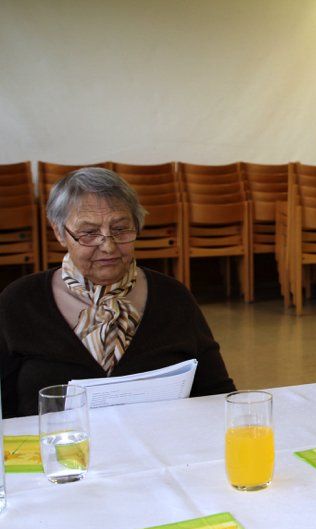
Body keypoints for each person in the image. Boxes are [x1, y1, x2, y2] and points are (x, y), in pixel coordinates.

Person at [0, 167, 235, 418]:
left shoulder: (173, 297)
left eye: (121, 229)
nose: (108, 246)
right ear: (59, 232)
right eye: (89, 233)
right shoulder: (20, 301)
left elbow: (218, 394)